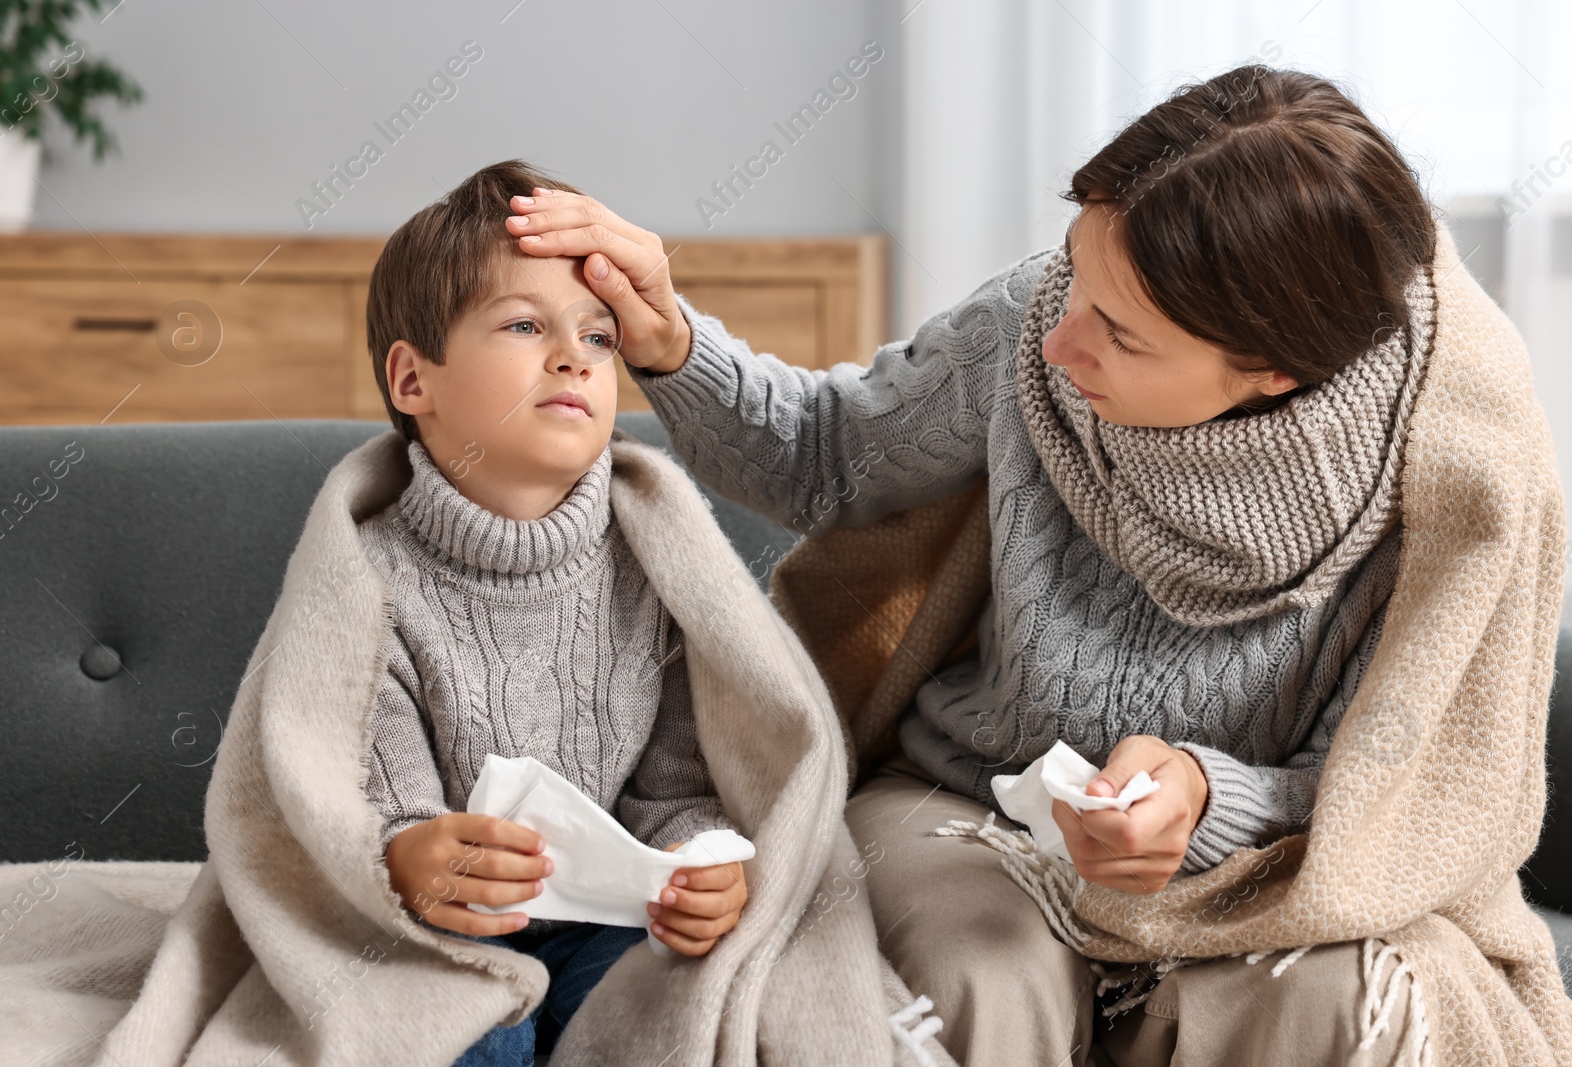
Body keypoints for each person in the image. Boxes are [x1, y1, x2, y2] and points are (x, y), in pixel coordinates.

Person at [495, 65, 1460, 1064]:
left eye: (1117, 334)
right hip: (960, 799)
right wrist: (668, 338)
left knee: (1326, 1003)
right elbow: (828, 456)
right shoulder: (1032, 324)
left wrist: (1208, 797)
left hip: (1264, 864)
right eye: (1073, 277)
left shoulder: (1442, 474)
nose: (1056, 339)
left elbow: (1395, 781)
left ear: (1270, 372)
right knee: (975, 972)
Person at [357, 160, 749, 1067]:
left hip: (601, 917)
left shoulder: (655, 565)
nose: (574, 355)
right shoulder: (368, 581)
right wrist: (410, 855)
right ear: (414, 380)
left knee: (681, 1003)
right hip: (438, 923)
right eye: (526, 325)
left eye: (600, 337)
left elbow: (674, 792)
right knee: (467, 1028)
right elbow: (366, 814)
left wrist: (698, 864)